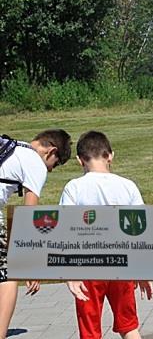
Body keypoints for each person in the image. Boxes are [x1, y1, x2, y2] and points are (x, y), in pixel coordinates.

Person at [59, 130, 153, 339]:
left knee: (90, 331)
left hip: (88, 266)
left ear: (79, 160)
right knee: (129, 326)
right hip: (122, 263)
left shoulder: (74, 187)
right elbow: (140, 230)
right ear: (111, 155)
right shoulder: (128, 186)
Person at [0, 129, 72, 339]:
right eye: (55, 165)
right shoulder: (35, 163)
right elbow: (28, 215)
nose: (50, 171)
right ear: (52, 151)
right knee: (8, 273)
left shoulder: (13, 147)